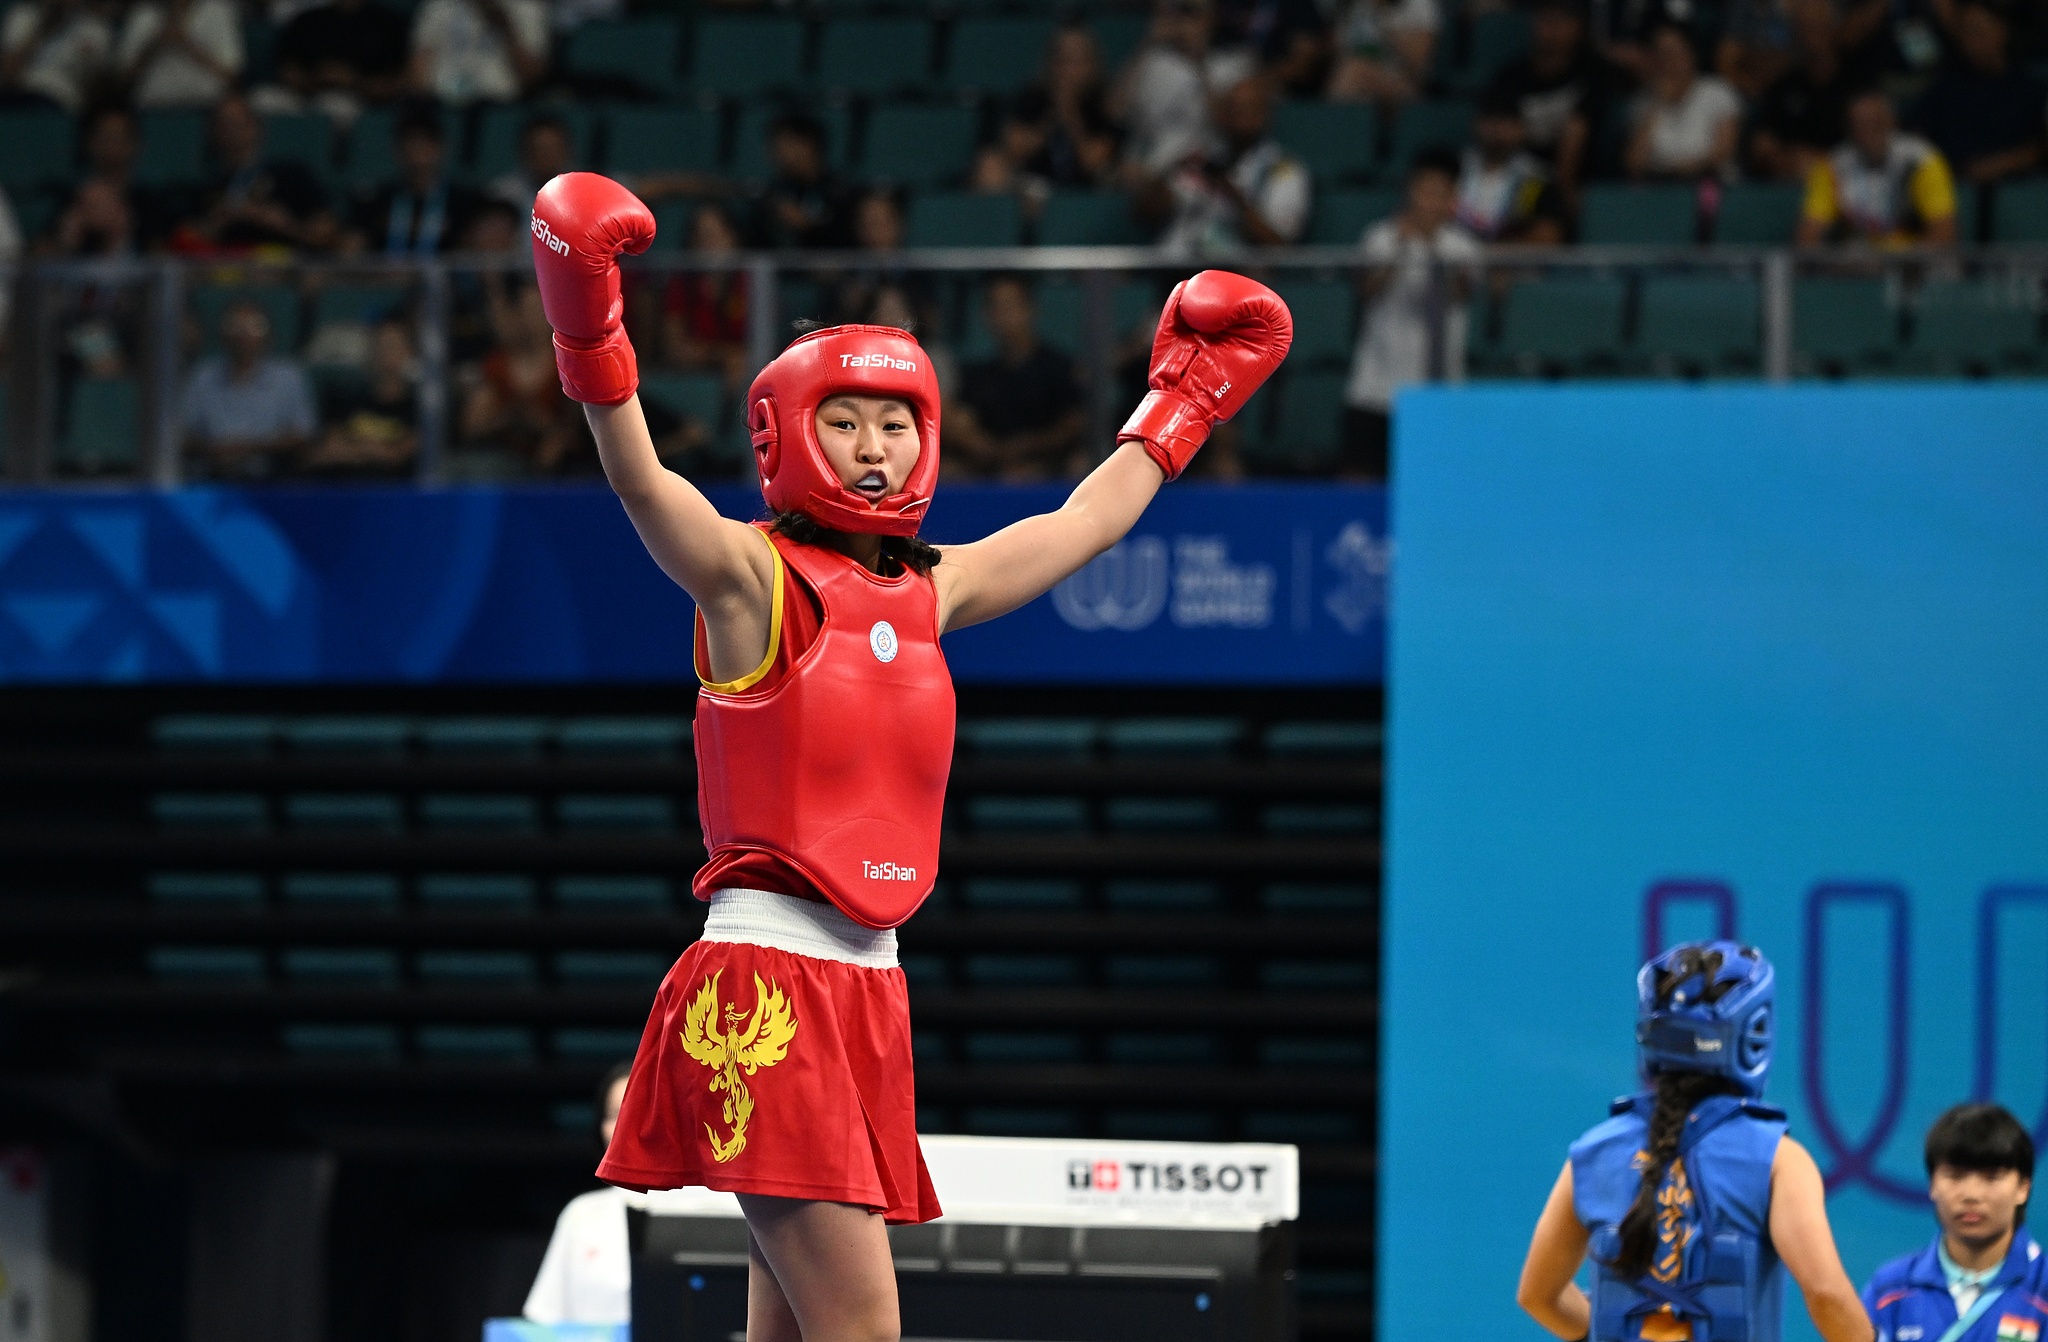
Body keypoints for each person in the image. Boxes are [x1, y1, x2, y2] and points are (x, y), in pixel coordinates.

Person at [529, 170, 1290, 1342]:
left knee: (785, 1334)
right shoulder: (747, 581)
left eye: (894, 423)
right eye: (845, 421)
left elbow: (1080, 523)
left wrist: (1181, 401)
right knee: (861, 1333)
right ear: (787, 433)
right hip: (767, 989)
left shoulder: (937, 589)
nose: (874, 447)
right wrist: (585, 315)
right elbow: (640, 480)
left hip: (869, 985)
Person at [1516, 942, 1874, 1342]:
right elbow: (1827, 1295)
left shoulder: (1593, 1152)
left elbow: (1537, 1295)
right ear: (1752, 1034)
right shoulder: (1778, 1159)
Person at [1343, 147, 1476, 480]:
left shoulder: (1462, 247)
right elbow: (1367, 290)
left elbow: (1464, 293)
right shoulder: (1381, 237)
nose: (1429, 202)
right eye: (1424, 192)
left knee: (1433, 480)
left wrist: (1432, 246)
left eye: (1439, 194)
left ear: (1452, 200)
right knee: (1362, 477)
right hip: (1378, 385)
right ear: (1410, 194)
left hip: (1440, 389)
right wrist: (1402, 248)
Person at [1863, 1104, 2045, 1342]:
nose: (1971, 1194)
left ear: (2023, 1188)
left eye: (1991, 1177)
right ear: (1932, 1185)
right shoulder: (1889, 1290)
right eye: (1955, 1176)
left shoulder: (2043, 1287)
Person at [1145, 73, 1312, 253]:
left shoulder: (1284, 169)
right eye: (1231, 108)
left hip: (1237, 272)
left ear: (1264, 114)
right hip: (1175, 268)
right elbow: (1145, 212)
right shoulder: (1202, 159)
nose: (1237, 116)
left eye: (1246, 108)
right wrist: (1171, 167)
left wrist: (1234, 199)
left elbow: (1279, 246)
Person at [523, 1063, 637, 1328]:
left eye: (635, 1111)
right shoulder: (582, 1214)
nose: (623, 1126)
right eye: (612, 1115)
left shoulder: (717, 1206)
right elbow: (544, 1322)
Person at [1484, 0, 1625, 208]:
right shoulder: (1512, 75)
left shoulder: (1593, 72)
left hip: (1579, 178)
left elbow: (1579, 129)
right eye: (1544, 20)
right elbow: (1490, 125)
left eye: (1559, 21)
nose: (1550, 29)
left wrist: (1562, 190)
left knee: (1573, 133)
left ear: (1577, 27)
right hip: (1522, 177)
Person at [948, 275, 1086, 482]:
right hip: (989, 463)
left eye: (1010, 306)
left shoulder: (1058, 368)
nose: (1003, 315)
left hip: (1047, 463)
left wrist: (1028, 446)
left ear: (1030, 309)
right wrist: (986, 448)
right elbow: (963, 421)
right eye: (995, 307)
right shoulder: (978, 374)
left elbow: (1073, 425)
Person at [169, 93, 335, 254]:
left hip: (281, 268)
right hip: (223, 271)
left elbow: (326, 234)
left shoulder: (292, 175)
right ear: (211, 132)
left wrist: (283, 224)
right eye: (223, 124)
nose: (231, 131)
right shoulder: (202, 187)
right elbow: (180, 243)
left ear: (256, 126)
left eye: (237, 122)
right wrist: (220, 219)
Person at [1797, 86, 1958, 245]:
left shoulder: (1922, 160)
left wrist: (1893, 262)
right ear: (1849, 128)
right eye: (1860, 124)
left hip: (1912, 264)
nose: (1869, 132)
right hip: (1854, 266)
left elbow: (1944, 233)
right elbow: (1807, 236)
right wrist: (1836, 265)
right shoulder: (1832, 166)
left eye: (1877, 123)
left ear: (1892, 121)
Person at [181, 299, 319, 478]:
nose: (244, 334)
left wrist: (250, 448)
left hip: (273, 478)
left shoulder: (289, 376)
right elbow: (181, 435)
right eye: (235, 325)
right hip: (212, 476)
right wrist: (213, 449)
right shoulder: (202, 375)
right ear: (221, 333)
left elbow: (304, 435)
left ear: (269, 334)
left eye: (254, 326)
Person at [1914, 0, 2045, 188]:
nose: (1972, 41)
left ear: (2001, 30)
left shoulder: (2030, 90)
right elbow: (1919, 139)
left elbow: (2039, 148)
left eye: (1978, 31)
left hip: (2018, 189)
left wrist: (2003, 164)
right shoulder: (1945, 89)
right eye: (1966, 33)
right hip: (1954, 188)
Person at [347, 103, 485, 254]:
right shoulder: (375, 201)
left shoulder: (466, 202)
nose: (418, 152)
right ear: (397, 150)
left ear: (442, 148)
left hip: (441, 276)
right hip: (385, 275)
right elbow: (353, 246)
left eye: (425, 144)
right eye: (411, 144)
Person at [1749, 0, 1859, 182]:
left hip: (1847, 186)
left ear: (1832, 28)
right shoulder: (1783, 86)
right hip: (1789, 184)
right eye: (1803, 28)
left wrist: (1820, 163)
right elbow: (1763, 145)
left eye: (1816, 27)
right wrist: (1782, 158)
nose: (1810, 36)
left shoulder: (1856, 85)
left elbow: (1869, 148)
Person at [1626, 23, 1743, 181]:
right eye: (1661, 55)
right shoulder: (1644, 101)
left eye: (1674, 53)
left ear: (1691, 55)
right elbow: (1634, 164)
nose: (1668, 62)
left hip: (1710, 185)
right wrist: (1658, 105)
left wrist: (1685, 169)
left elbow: (1724, 151)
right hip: (1659, 189)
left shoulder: (1717, 92)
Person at [302, 317, 418, 476]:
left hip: (390, 492)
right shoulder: (345, 398)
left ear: (409, 352)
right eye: (379, 344)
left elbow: (397, 455)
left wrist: (353, 448)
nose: (385, 352)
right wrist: (375, 451)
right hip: (341, 487)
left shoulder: (420, 408)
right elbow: (327, 451)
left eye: (392, 345)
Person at [1009, 25, 1119, 189]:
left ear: (1092, 64)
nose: (1067, 69)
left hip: (1088, 189)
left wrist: (1070, 112)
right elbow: (1014, 150)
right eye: (1061, 60)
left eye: (1076, 61)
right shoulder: (1034, 97)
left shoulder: (1104, 104)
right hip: (1035, 184)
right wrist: (1051, 117)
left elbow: (1092, 162)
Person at [1115, 0, 1216, 179]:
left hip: (1196, 168)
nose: (1181, 21)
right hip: (1143, 165)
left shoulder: (1230, 62)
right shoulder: (1151, 59)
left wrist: (1197, 56)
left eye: (1189, 12)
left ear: (1209, 19)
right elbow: (1115, 111)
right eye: (1176, 11)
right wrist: (1147, 43)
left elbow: (1219, 121)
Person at [1458, 90, 1567, 243]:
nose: (1498, 132)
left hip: (1508, 262)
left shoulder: (1537, 179)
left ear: (1522, 129)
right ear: (1478, 125)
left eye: (1508, 123)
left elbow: (1549, 235)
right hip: (1452, 256)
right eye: (1492, 122)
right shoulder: (1455, 168)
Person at [662, 202, 749, 386]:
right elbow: (676, 350)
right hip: (692, 378)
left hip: (744, 372)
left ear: (732, 238)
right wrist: (723, 356)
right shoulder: (681, 286)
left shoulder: (752, 284)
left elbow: (762, 347)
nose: (707, 245)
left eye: (713, 235)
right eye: (700, 238)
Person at [271, 0, 411, 113]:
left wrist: (352, 80)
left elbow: (399, 81)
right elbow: (287, 68)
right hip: (303, 96)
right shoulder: (307, 20)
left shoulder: (389, 24)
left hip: (361, 102)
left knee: (334, 106)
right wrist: (316, 78)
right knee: (264, 100)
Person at [408, 0, 545, 104]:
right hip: (443, 105)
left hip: (499, 105)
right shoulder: (439, 5)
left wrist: (505, 28)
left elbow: (532, 76)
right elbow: (417, 73)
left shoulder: (526, 7)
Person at [116, 0, 241, 108]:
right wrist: (155, 45)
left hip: (207, 107)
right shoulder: (142, 15)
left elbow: (231, 75)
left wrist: (185, 43)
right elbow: (121, 80)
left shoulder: (217, 12)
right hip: (152, 107)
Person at [752, 112, 849, 250]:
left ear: (809, 144)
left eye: (787, 145)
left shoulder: (838, 191)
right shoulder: (773, 194)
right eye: (775, 147)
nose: (780, 154)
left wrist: (808, 226)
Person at [0, 0, 112, 111]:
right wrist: (43, 29)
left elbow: (97, 89)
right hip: (21, 95)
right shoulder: (22, 15)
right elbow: (8, 73)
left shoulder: (96, 29)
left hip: (63, 102)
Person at [1325, 0, 1439, 104]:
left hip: (1405, 84)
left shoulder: (1418, 4)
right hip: (1356, 84)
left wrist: (1382, 12)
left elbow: (1417, 64)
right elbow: (1339, 52)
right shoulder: (1352, 5)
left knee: (1354, 72)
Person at [488, 111, 574, 213]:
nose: (546, 157)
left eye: (552, 150)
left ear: (567, 151)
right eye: (539, 150)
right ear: (524, 152)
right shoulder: (503, 195)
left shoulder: (581, 195)